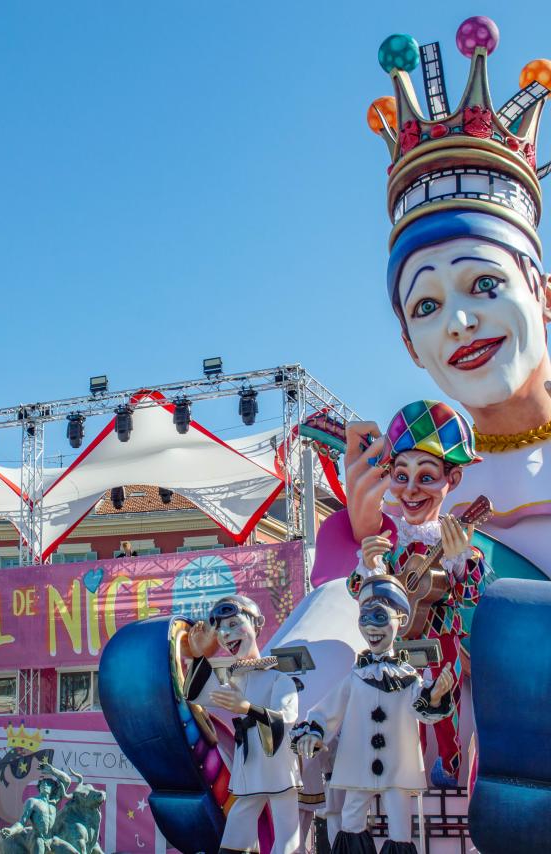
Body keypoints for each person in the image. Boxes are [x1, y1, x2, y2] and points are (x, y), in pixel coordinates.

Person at [361, 19, 551, 574]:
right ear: (409, 344)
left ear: (543, 294)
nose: (460, 322)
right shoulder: (418, 493)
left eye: (484, 283)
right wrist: (358, 530)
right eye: (426, 305)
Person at [346, 401, 487, 787]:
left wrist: (461, 562)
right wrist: (369, 567)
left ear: (452, 479)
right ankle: (400, 775)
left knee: (444, 706)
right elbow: (359, 594)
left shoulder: (457, 543)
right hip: (398, 644)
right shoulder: (391, 542)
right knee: (395, 709)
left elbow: (473, 599)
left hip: (443, 642)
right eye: (400, 475)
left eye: (426, 477)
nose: (410, 490)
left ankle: (449, 769)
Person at [293, 575, 454, 854]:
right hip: (359, 763)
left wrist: (436, 696)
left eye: (379, 616)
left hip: (397, 766)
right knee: (351, 822)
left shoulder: (409, 678)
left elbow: (422, 710)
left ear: (401, 620)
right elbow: (328, 709)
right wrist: (314, 731)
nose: (370, 626)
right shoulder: (356, 677)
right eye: (364, 617)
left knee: (400, 829)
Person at [185, 594, 302, 854]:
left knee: (287, 832)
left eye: (234, 624)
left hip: (278, 763)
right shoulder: (237, 680)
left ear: (257, 624)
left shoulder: (279, 677)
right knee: (238, 827)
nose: (226, 634)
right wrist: (198, 656)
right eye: (221, 630)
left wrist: (247, 708)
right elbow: (201, 694)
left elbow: (286, 716)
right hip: (248, 764)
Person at [0, 761, 71, 854]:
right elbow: (21, 823)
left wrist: (52, 770)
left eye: (48, 784)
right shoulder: (32, 801)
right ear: (39, 787)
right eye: (42, 784)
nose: (45, 785)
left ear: (53, 788)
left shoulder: (54, 801)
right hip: (38, 839)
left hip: (52, 840)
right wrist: (11, 830)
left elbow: (67, 780)